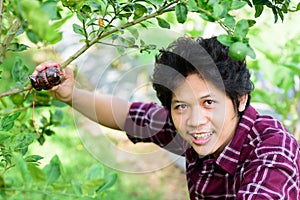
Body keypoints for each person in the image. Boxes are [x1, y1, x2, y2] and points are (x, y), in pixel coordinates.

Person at [33, 36, 300, 199]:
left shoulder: (272, 151)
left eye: (209, 103)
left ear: (240, 99)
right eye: (181, 106)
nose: (195, 120)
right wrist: (69, 95)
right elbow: (127, 115)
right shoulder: (188, 124)